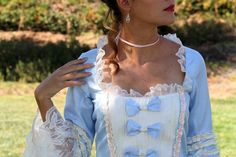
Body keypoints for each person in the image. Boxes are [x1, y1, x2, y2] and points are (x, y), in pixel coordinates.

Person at [23, 0, 220, 156]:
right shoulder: (90, 66)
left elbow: (202, 147)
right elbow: (74, 152)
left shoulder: (191, 62)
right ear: (125, 2)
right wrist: (43, 97)